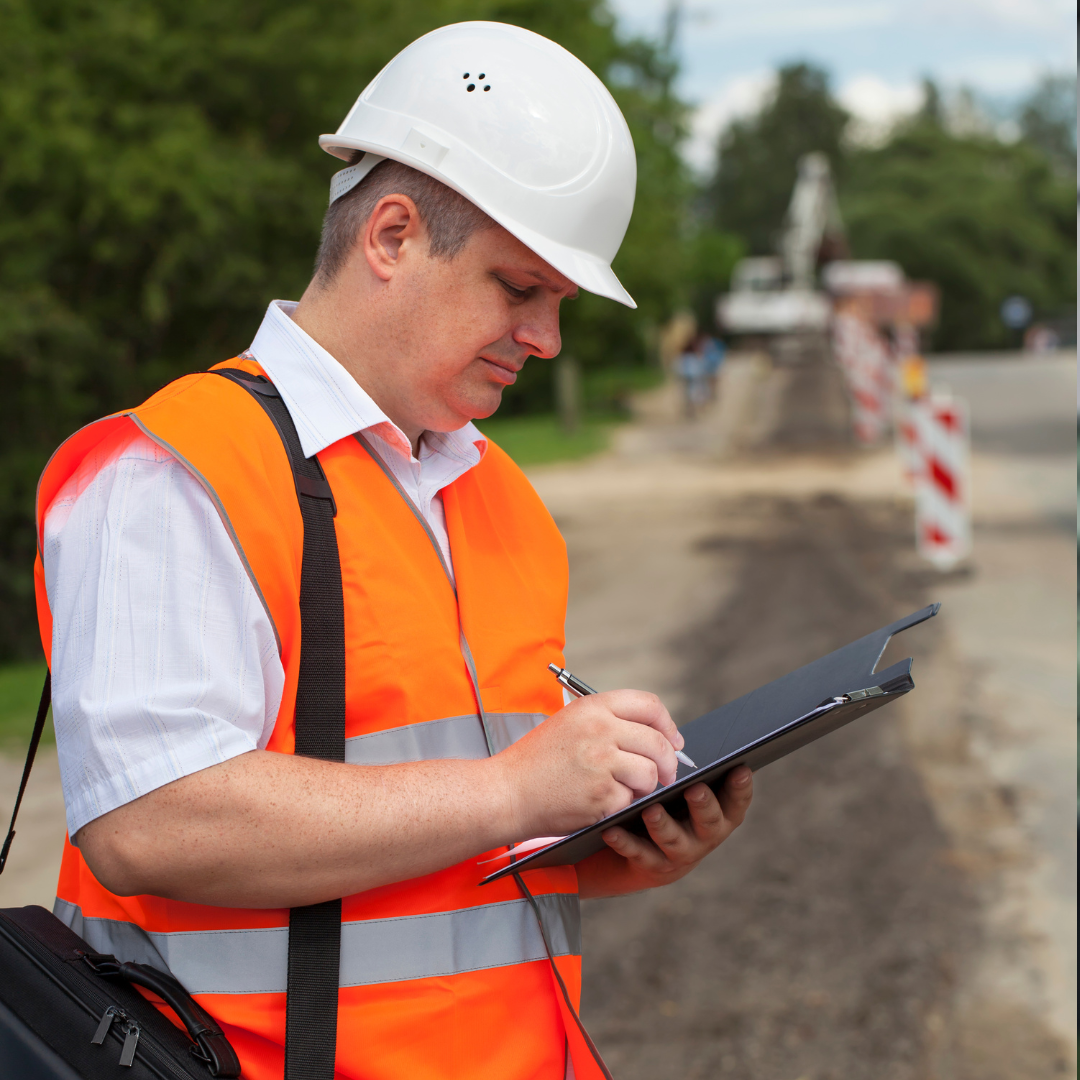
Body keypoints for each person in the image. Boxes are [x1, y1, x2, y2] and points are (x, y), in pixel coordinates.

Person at [33, 23, 753, 1080]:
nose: (548, 336)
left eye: (559, 300)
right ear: (392, 236)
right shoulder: (180, 471)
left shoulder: (495, 494)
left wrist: (611, 847)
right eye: (521, 287)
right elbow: (151, 820)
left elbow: (435, 854)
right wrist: (516, 791)